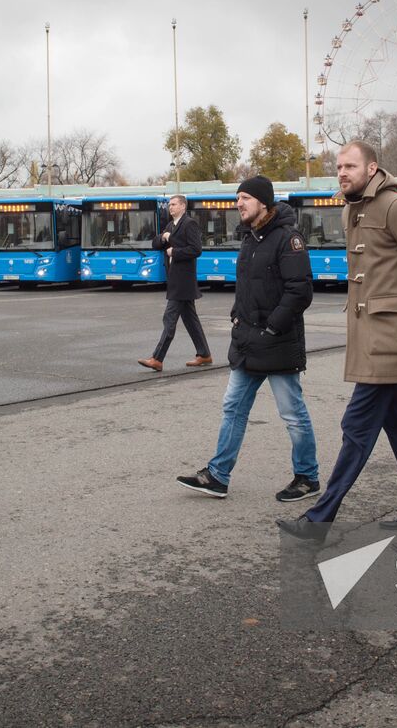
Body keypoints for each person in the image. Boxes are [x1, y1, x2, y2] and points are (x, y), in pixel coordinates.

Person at [278, 141, 397, 539]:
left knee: (356, 425)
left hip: (388, 339)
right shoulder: (352, 208)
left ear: (372, 169)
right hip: (369, 335)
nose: (342, 172)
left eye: (350, 166)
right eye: (338, 166)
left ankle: (321, 519)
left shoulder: (395, 207)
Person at [176, 176, 321, 502]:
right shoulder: (251, 238)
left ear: (263, 202)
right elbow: (249, 287)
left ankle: (308, 477)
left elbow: (300, 291)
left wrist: (272, 327)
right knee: (233, 408)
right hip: (247, 341)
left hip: (277, 342)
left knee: (292, 414)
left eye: (244, 198)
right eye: (237, 197)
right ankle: (217, 475)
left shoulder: (288, 238)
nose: (238, 204)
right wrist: (237, 314)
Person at [138, 195, 212, 371]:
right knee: (190, 320)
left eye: (174, 204)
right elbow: (155, 244)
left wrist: (174, 251)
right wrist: (164, 237)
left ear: (183, 207)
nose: (170, 207)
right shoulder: (171, 226)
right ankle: (205, 354)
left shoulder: (189, 224)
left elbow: (196, 249)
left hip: (183, 281)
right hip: (175, 280)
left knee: (169, 319)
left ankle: (157, 358)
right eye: (169, 205)